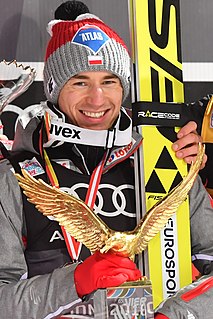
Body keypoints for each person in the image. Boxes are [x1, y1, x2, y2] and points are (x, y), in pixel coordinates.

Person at [0, 1, 212, 318]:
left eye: (109, 81)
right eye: (80, 82)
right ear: (55, 89)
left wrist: (175, 315)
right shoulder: (18, 176)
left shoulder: (165, 158)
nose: (97, 99)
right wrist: (72, 282)